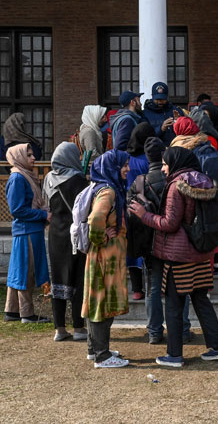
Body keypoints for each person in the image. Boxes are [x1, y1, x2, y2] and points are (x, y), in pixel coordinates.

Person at [129, 147, 218, 367]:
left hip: (179, 254)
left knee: (173, 303)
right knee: (201, 300)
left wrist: (143, 215)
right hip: (201, 251)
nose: (163, 169)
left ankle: (174, 355)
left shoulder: (177, 185)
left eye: (165, 164)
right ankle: (217, 347)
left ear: (176, 162)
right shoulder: (204, 180)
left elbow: (169, 223)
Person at [126, 137, 194, 345]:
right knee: (180, 286)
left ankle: (154, 331)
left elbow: (130, 213)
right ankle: (182, 329)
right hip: (175, 240)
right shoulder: (175, 179)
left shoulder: (139, 181)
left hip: (150, 241)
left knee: (153, 286)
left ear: (147, 157)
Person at [82, 150, 131, 368]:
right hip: (106, 257)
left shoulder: (104, 187)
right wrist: (101, 238)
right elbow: (95, 218)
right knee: (102, 301)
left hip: (104, 255)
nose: (127, 169)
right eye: (124, 165)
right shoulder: (108, 191)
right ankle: (102, 355)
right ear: (112, 167)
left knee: (96, 299)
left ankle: (95, 350)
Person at [173, 114, 218, 272]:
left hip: (197, 202)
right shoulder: (207, 144)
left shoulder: (183, 149)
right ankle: (212, 271)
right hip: (210, 199)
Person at [43, 142, 89, 341]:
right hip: (75, 234)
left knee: (58, 280)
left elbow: (48, 206)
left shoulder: (48, 179)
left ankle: (59, 329)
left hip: (55, 235)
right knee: (78, 278)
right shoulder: (78, 180)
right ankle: (79, 328)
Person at [3, 144, 50, 323]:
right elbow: (17, 210)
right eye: (29, 155)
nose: (33, 158)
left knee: (18, 270)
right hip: (26, 231)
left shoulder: (24, 176)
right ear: (19, 157)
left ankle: (12, 310)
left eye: (32, 155)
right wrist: (44, 214)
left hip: (30, 230)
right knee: (25, 272)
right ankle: (26, 313)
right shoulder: (18, 178)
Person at [125, 122, 154, 300]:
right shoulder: (149, 158)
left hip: (129, 206)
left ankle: (137, 289)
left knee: (132, 247)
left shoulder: (126, 158)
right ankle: (152, 287)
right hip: (148, 206)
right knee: (149, 245)